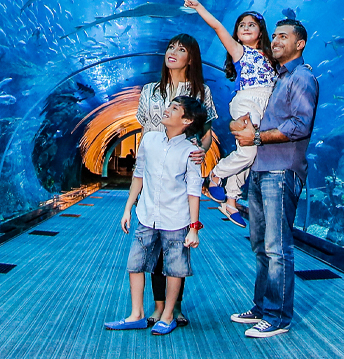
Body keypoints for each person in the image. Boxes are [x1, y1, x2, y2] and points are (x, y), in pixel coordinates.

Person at [230, 18, 316, 339]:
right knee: (261, 245)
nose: (276, 40)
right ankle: (262, 306)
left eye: (284, 36)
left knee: (277, 246)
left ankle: (279, 316)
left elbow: (299, 125)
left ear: (300, 44)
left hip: (281, 170)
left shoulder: (302, 78)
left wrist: (257, 138)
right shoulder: (276, 78)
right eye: (275, 35)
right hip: (262, 168)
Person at [134, 34, 218, 328]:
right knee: (152, 238)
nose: (173, 52)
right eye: (171, 47)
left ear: (191, 58)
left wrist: (201, 152)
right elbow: (145, 128)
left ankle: (175, 305)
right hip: (154, 166)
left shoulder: (201, 91)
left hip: (181, 171)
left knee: (176, 241)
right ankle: (158, 306)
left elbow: (206, 132)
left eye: (181, 49)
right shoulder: (149, 91)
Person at [106, 94, 208, 336]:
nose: (167, 110)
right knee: (135, 264)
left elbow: (194, 191)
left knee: (174, 268)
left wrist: (193, 227)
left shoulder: (190, 152)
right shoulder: (149, 140)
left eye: (174, 109)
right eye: (169, 106)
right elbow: (138, 175)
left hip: (177, 219)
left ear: (186, 120)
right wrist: (128, 207)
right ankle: (136, 314)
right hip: (146, 214)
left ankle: (168, 315)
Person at [181, 0, 277, 226]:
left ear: (260, 31)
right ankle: (215, 175)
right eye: (241, 25)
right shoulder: (239, 51)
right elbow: (217, 27)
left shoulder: (270, 56)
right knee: (248, 152)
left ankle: (231, 200)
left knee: (250, 157)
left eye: (251, 25)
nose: (245, 28)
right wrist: (199, 6)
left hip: (266, 104)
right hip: (248, 102)